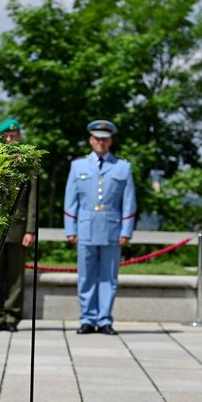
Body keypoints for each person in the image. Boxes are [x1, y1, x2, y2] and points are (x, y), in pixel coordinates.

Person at [64, 119, 136, 335]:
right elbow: (71, 200)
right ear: (90, 140)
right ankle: (87, 319)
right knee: (85, 276)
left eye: (105, 139)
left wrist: (126, 231)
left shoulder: (123, 167)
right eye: (97, 139)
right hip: (85, 228)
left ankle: (104, 320)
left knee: (108, 276)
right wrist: (71, 229)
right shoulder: (77, 166)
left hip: (112, 230)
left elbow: (129, 201)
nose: (101, 143)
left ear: (110, 141)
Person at [0, 119, 38, 332]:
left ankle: (12, 317)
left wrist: (30, 230)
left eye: (14, 135)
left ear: (20, 136)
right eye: (6, 137)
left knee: (16, 277)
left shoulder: (28, 163)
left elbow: (33, 199)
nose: (10, 139)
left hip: (18, 227)